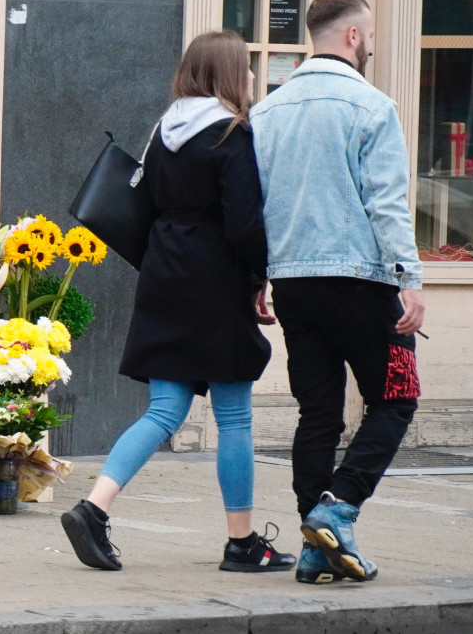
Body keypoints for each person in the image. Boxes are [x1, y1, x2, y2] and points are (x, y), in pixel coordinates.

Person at [60, 31, 296, 574]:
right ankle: (241, 543)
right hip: (214, 280)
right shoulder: (233, 134)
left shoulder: (163, 130)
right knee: (234, 413)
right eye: (248, 68)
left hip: (163, 272)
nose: (254, 78)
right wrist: (262, 275)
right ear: (229, 74)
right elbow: (242, 225)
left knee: (166, 409)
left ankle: (94, 508)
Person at [249, 0, 425, 585]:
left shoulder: (267, 112)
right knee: (396, 399)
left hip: (294, 284)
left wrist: (258, 278)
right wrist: (410, 277)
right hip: (362, 282)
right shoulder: (372, 107)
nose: (372, 44)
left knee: (317, 412)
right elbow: (387, 204)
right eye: (370, 34)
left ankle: (315, 546)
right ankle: (337, 509)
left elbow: (255, 206)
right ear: (352, 36)